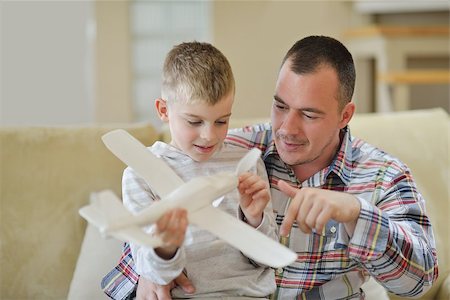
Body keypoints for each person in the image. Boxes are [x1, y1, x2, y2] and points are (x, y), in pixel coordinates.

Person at [105, 36, 438, 299]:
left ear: (345, 115)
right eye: (280, 106)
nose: (287, 129)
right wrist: (146, 273)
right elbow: (156, 214)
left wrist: (355, 213)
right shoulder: (234, 150)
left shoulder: (383, 175)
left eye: (309, 115)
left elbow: (419, 280)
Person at [101, 41, 278, 299]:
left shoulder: (248, 165)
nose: (209, 136)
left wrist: (255, 219)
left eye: (222, 121)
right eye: (194, 121)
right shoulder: (140, 173)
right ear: (163, 110)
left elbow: (268, 259)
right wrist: (165, 247)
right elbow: (151, 273)